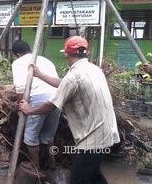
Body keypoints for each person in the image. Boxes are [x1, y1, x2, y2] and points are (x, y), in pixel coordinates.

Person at [19, 36, 120, 184]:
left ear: (66, 54)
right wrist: (40, 75)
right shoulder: (93, 69)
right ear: (86, 52)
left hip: (92, 139)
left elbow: (51, 105)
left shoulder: (74, 76)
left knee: (79, 179)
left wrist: (30, 110)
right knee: (93, 175)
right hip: (106, 131)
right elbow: (64, 84)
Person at [11, 41, 61, 176]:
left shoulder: (18, 62)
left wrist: (21, 104)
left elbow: (21, 88)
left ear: (17, 54)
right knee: (48, 137)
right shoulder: (45, 60)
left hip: (39, 98)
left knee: (30, 136)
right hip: (57, 99)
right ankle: (51, 163)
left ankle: (36, 166)